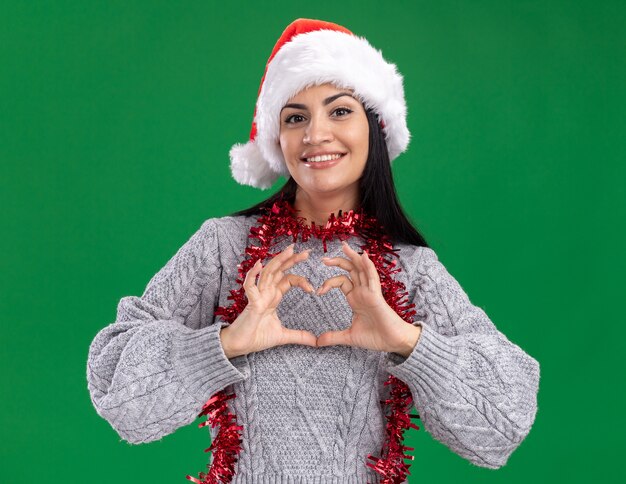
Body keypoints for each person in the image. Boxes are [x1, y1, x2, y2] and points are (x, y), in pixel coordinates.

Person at [86, 18, 541, 484]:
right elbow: (117, 391)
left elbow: (504, 422)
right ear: (277, 141)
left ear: (376, 127)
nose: (315, 134)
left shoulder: (411, 270)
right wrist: (225, 343)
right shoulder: (224, 247)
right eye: (295, 117)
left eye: (339, 111)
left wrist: (407, 341)